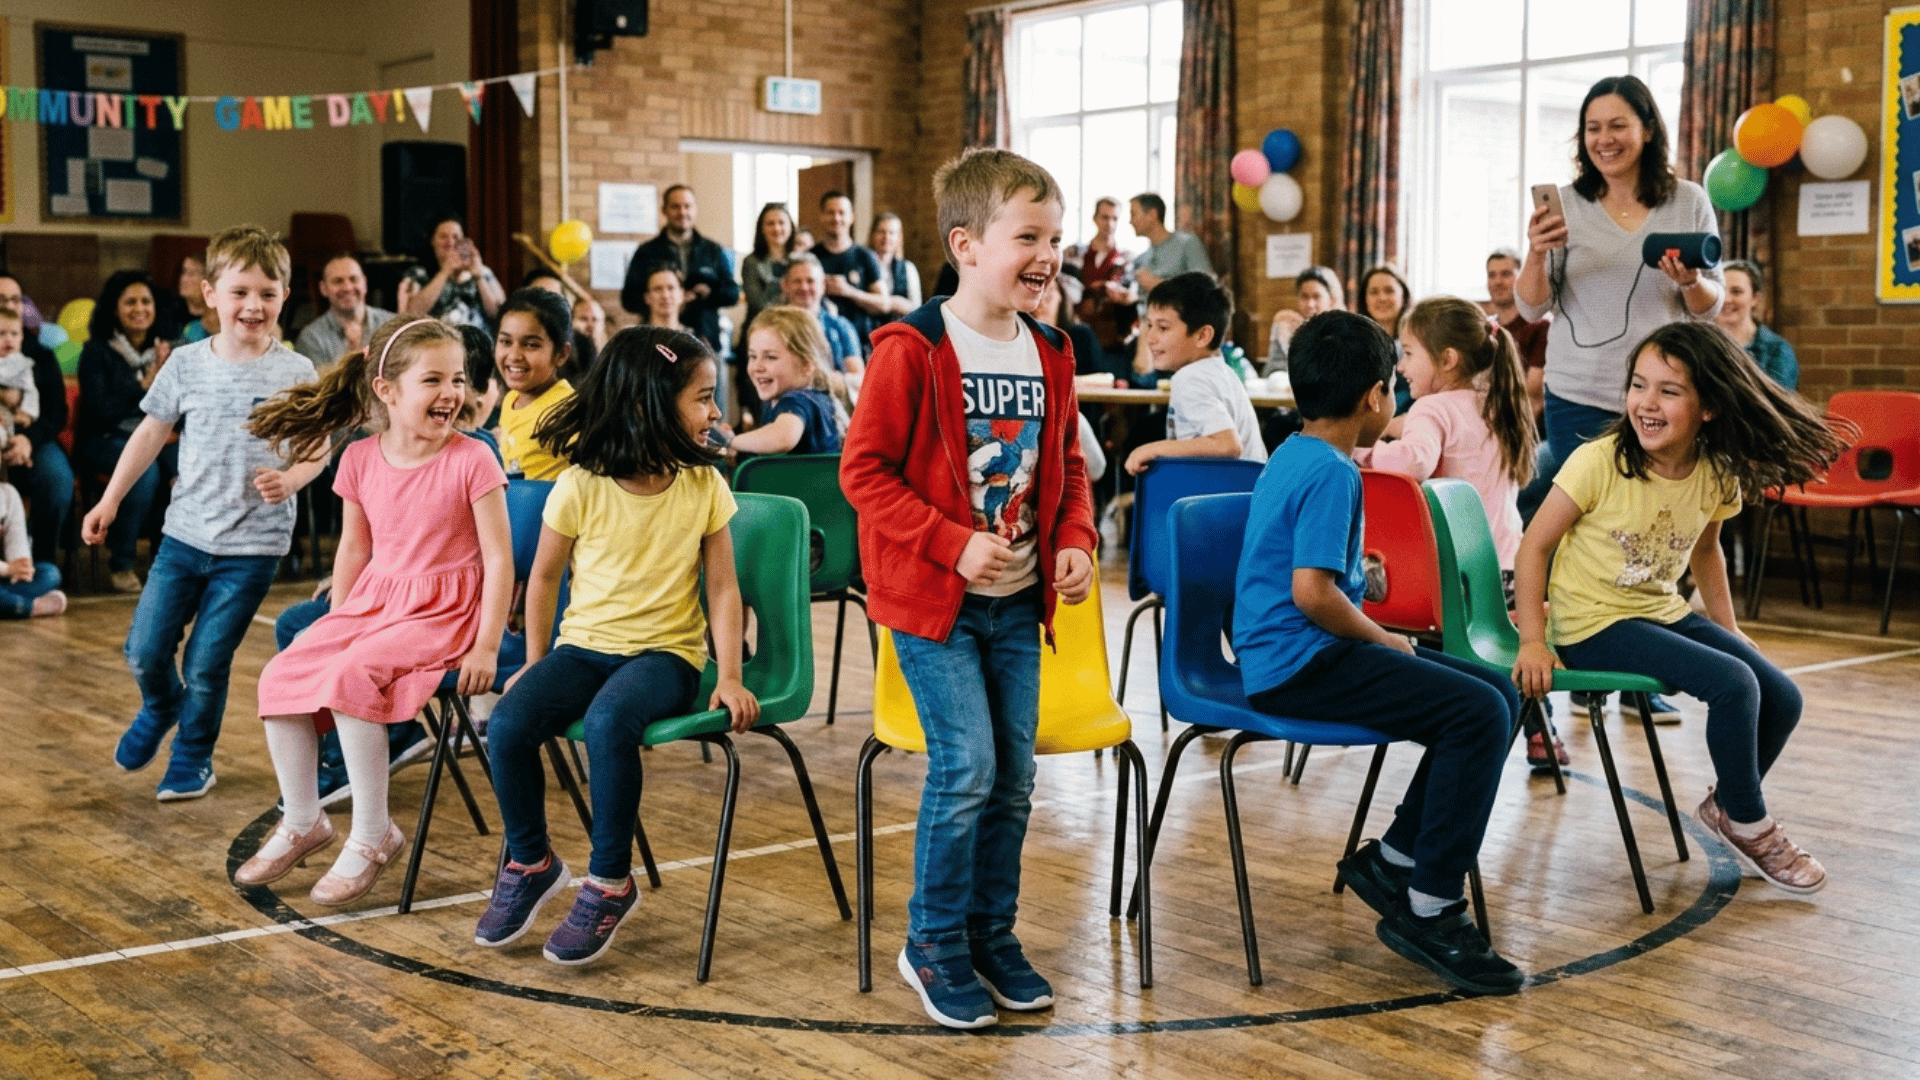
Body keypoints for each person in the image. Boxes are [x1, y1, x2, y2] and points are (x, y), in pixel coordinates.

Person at [841, 147, 1097, 1030]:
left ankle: (992, 933)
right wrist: (951, 545)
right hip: (933, 607)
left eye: (1053, 237)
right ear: (966, 244)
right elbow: (863, 473)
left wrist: (1074, 540)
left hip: (1018, 609)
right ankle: (934, 942)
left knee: (1015, 776)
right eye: (1028, 235)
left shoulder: (1053, 350)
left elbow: (1067, 462)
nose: (1047, 254)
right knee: (969, 767)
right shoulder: (912, 348)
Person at [1234, 309, 1524, 996]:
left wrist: (1359, 585)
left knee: (1499, 694)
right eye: (1392, 384)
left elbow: (1311, 572)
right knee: (1479, 713)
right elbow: (1311, 594)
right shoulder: (1335, 472)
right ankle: (1431, 908)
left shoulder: (1298, 451)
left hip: (1302, 651)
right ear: (1374, 397)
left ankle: (1395, 860)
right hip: (1302, 663)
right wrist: (1381, 634)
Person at [1512, 321, 1845, 895]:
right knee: (1734, 684)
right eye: (1638, 385)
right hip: (1592, 621)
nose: (1646, 402)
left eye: (1669, 390)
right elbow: (1534, 546)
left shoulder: (1715, 471)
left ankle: (1728, 807)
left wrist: (1730, 629)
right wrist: (1533, 641)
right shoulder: (1598, 462)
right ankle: (1751, 822)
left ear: (1709, 407)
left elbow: (1707, 549)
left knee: (1783, 697)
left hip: (1657, 608)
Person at [473, 326, 756, 966]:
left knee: (608, 723)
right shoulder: (581, 483)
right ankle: (531, 861)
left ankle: (609, 881)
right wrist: (537, 664)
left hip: (667, 658)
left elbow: (723, 588)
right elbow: (542, 577)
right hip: (584, 648)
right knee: (509, 721)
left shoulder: (703, 484)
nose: (715, 413)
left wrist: (730, 675)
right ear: (648, 405)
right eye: (703, 398)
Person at [237, 317, 511, 906]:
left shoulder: (474, 458)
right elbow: (355, 548)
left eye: (457, 379)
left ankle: (372, 832)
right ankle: (305, 820)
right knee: (282, 673)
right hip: (376, 601)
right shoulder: (359, 458)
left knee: (351, 676)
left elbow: (499, 559)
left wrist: (487, 644)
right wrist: (338, 616)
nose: (451, 394)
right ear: (387, 391)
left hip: (444, 611)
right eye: (432, 379)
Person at [83, 226, 323, 802]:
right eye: (240, 292)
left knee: (209, 662)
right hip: (184, 537)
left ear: (284, 297)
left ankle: (193, 758)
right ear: (211, 294)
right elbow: (150, 432)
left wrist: (291, 477)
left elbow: (318, 449)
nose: (253, 306)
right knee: (144, 650)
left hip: (254, 547)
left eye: (267, 293)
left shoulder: (297, 372)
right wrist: (111, 499)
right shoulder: (186, 363)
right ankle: (161, 705)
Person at [1516, 74, 1723, 724]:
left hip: (1663, 397)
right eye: (1593, 128)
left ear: (1647, 129)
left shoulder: (1687, 200)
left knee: (1650, 535)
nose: (1604, 139)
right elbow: (1530, 303)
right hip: (1579, 392)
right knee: (1578, 528)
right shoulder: (1566, 207)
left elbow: (1710, 305)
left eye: (1618, 125)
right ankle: (1580, 665)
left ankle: (1642, 675)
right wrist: (1535, 250)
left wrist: (1690, 284)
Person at [1353, 296, 1562, 766]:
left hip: (1454, 580)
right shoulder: (1499, 404)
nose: (1401, 366)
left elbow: (1414, 460)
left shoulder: (1433, 408)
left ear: (1446, 359)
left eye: (1408, 353)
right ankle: (1540, 732)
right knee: (1505, 648)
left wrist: (1364, 455)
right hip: (1509, 571)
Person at [76, 270, 178, 592]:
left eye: (146, 301)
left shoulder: (169, 350)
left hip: (161, 437)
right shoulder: (97, 351)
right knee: (143, 472)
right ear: (114, 308)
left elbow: (183, 404)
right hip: (105, 441)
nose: (140, 308)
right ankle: (121, 563)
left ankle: (170, 563)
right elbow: (100, 410)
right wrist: (146, 389)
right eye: (130, 302)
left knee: (184, 471)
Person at [1123, 272, 1267, 474]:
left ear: (1202, 335)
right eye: (1149, 326)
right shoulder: (1221, 371)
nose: (1150, 338)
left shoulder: (1190, 378)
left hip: (1225, 500)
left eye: (1163, 328)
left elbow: (1227, 445)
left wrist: (1152, 449)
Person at [0, 274, 71, 565]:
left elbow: (57, 413)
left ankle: (40, 563)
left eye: (16, 299)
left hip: (33, 439)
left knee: (57, 479)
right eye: (2, 300)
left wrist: (27, 440)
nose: (10, 306)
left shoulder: (40, 355)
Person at [620, 185, 740, 356]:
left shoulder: (713, 250)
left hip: (705, 341)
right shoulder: (646, 252)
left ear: (695, 209)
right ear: (664, 210)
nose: (682, 212)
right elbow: (628, 299)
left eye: (687, 206)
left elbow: (732, 294)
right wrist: (665, 299)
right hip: (658, 342)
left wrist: (708, 293)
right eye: (675, 206)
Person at [729, 306, 844, 457]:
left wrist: (731, 441)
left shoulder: (796, 401)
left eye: (770, 357)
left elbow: (784, 438)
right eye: (753, 356)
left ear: (806, 365)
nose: (757, 367)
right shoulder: (819, 398)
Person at [495, 288, 576, 481]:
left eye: (530, 344)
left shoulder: (568, 410)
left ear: (561, 354)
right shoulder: (511, 398)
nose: (514, 356)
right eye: (505, 341)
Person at [812, 191, 890, 353]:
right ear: (821, 216)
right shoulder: (811, 257)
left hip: (860, 346)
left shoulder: (865, 256)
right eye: (830, 213)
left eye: (842, 213)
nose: (836, 218)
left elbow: (883, 303)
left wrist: (848, 291)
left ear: (851, 217)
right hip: (818, 344)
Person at [404, 213, 506, 330]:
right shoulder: (419, 273)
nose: (450, 242)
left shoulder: (483, 271)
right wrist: (445, 272)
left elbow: (498, 315)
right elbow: (413, 312)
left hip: (479, 340)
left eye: (456, 237)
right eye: (443, 236)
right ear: (432, 240)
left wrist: (479, 276)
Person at [295, 254, 396, 372]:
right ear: (323, 288)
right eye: (338, 281)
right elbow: (319, 388)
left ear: (365, 283)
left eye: (354, 279)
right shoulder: (311, 338)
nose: (347, 287)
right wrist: (353, 352)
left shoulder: (391, 324)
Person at [1063, 197, 1137, 353]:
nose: (1109, 224)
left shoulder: (1127, 259)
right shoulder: (1073, 253)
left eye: (1114, 219)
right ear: (1095, 219)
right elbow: (1063, 291)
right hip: (1074, 333)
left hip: (1113, 338)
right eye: (1105, 217)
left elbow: (1131, 295)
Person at [780, 253, 864, 386]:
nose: (804, 287)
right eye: (797, 281)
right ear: (785, 285)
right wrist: (834, 378)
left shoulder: (842, 327)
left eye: (810, 281)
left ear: (823, 285)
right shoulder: (772, 327)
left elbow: (858, 381)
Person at [1715, 260, 1798, 390]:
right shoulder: (1700, 344)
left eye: (1736, 292)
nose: (1726, 299)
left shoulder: (1778, 350)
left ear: (1755, 298)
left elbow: (1775, 403)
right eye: (1720, 290)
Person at [0, 476, 65, 618]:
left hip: (4, 579)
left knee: (50, 573)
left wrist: (22, 568)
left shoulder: (8, 494)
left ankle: (11, 602)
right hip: (4, 571)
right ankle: (31, 606)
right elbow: (10, 569)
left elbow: (18, 554)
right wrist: (8, 569)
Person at [1263, 265, 1345, 375]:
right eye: (1304, 297)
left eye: (1317, 297)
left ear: (1331, 299)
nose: (1310, 304)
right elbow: (1272, 370)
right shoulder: (1286, 326)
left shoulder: (1344, 330)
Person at [1358, 264, 1414, 415]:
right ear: (1365, 299)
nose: (1381, 298)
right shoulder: (1354, 343)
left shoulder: (1419, 342)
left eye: (1389, 291)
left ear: (1403, 295)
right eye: (1374, 292)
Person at [869, 212, 924, 325]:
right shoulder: (862, 265)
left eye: (892, 233)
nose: (886, 237)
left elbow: (916, 308)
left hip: (898, 332)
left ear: (899, 237)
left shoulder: (908, 268)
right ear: (872, 234)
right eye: (881, 232)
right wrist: (894, 303)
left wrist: (884, 303)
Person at [0, 310, 40, 440]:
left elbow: (30, 391)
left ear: (22, 337)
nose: (8, 339)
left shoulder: (22, 364)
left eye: (14, 334)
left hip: (9, 419)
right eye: (1, 334)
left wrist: (27, 412)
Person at [634, 263, 691, 333]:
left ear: (682, 294)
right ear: (647, 297)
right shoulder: (634, 340)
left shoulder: (698, 341)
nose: (665, 295)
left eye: (671, 288)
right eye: (657, 289)